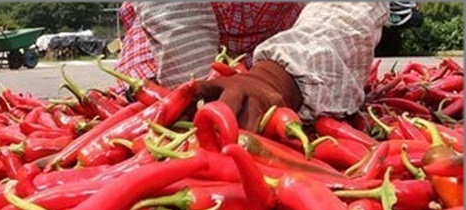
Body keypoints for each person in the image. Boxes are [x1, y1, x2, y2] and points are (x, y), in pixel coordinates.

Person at [114, 2, 389, 132]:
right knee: (149, 117)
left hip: (291, 39)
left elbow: (348, 5)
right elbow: (173, 12)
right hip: (172, 35)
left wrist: (275, 77)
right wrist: (195, 88)